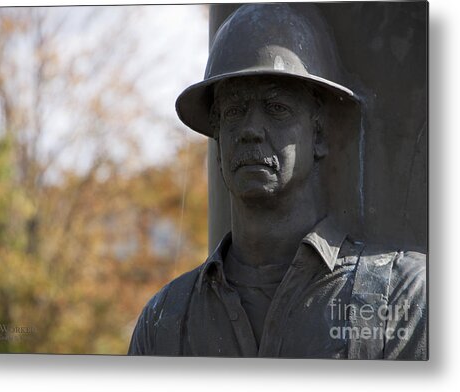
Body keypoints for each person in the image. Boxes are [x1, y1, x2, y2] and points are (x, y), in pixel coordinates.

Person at [128, 3, 427, 359]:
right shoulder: (165, 322)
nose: (251, 130)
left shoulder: (406, 298)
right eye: (235, 111)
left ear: (318, 135)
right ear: (219, 138)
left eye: (277, 108)